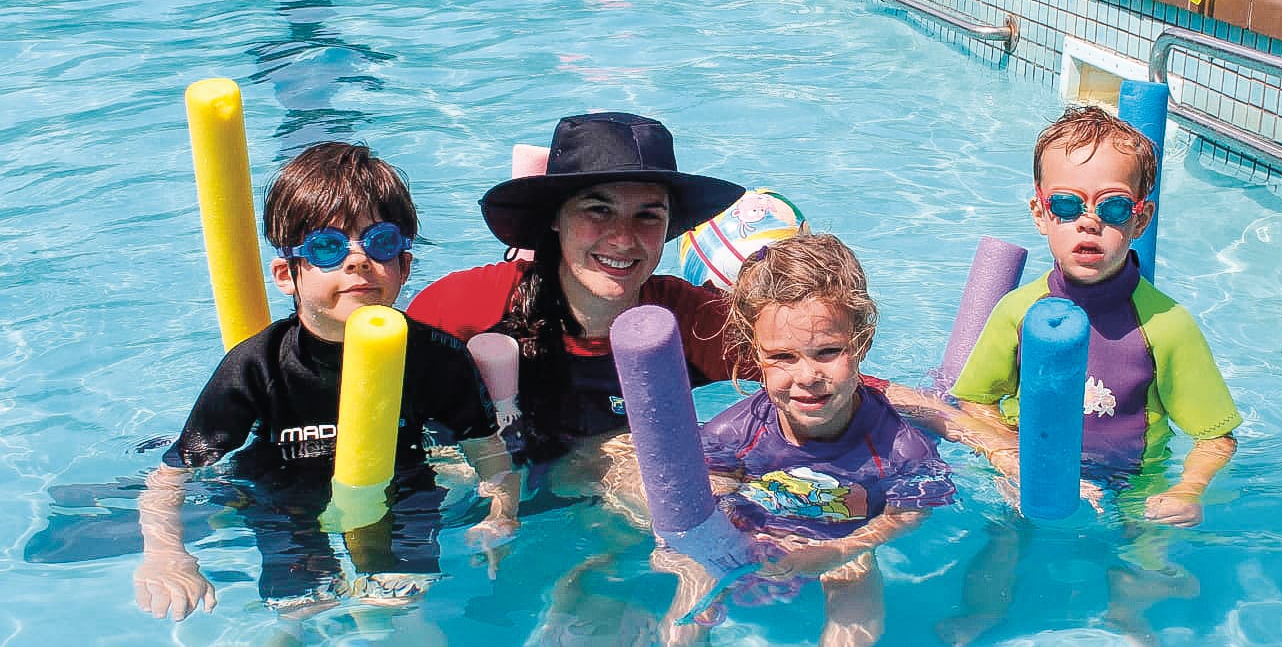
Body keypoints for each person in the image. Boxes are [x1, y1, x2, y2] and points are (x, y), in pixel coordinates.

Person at [133, 142, 517, 623]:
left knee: (398, 604)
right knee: (301, 610)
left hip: (404, 487)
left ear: (405, 266)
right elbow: (173, 473)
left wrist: (500, 512)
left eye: (379, 242)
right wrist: (167, 553)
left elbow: (486, 449)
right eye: (328, 247)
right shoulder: (257, 365)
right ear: (285, 275)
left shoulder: (439, 357)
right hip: (283, 496)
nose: (357, 261)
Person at [605, 233, 956, 646]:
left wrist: (842, 549)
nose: (807, 377)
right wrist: (710, 539)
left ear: (861, 342)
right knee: (692, 571)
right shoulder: (738, 431)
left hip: (842, 539)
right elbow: (707, 490)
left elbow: (910, 511)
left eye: (827, 351)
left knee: (854, 577)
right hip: (756, 530)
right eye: (783, 357)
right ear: (754, 355)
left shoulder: (899, 446)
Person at [407, 111, 748, 470]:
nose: (623, 238)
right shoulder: (463, 308)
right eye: (598, 210)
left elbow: (801, 393)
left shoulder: (697, 322)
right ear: (554, 216)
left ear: (668, 226)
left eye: (648, 216)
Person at [951, 104, 1241, 525]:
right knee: (998, 567)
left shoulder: (1167, 326)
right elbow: (975, 401)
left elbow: (1215, 437)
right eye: (1067, 205)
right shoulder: (1016, 312)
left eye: (1113, 208)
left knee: (1142, 578)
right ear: (1040, 213)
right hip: (1032, 476)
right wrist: (1008, 455)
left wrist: (1187, 490)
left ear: (1141, 219)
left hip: (1133, 487)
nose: (1088, 223)